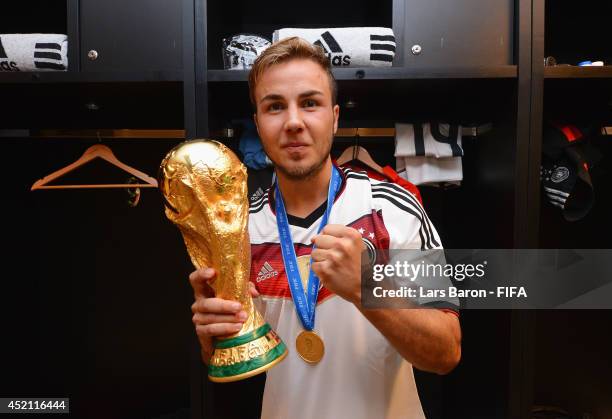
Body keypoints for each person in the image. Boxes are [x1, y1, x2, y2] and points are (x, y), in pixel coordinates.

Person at [189, 36, 461, 419]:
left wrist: (366, 287)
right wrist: (213, 336)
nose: (294, 122)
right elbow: (225, 355)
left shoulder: (391, 207)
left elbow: (446, 352)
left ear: (334, 117)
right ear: (258, 123)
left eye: (310, 103)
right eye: (275, 107)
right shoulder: (239, 228)